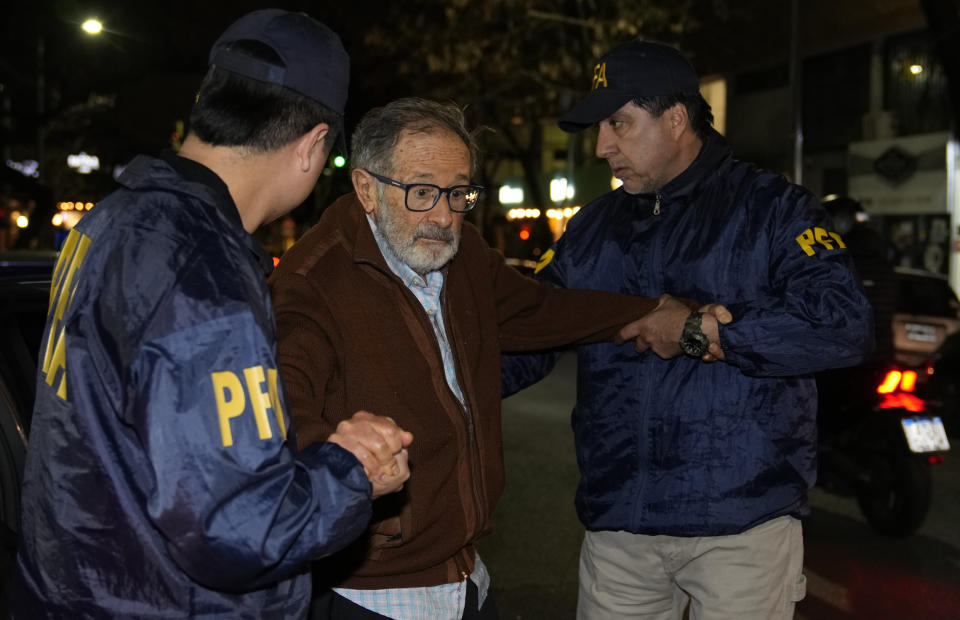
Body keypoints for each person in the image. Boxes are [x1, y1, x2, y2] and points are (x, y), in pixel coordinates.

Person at [11, 10, 412, 619]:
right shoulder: (202, 268)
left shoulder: (109, 221)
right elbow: (238, 529)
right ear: (312, 145)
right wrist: (352, 471)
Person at [268, 97, 726, 620]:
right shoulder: (310, 286)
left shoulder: (464, 259)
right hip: (372, 597)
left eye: (459, 191)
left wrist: (653, 314)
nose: (444, 215)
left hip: (468, 584)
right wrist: (349, 472)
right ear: (367, 189)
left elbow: (543, 310)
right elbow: (283, 430)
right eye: (421, 192)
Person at [501, 41, 874, 620]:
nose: (602, 147)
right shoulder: (591, 230)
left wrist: (703, 331)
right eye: (600, 128)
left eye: (618, 123)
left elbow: (843, 324)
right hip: (620, 527)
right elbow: (532, 332)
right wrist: (431, 377)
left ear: (676, 119)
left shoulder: (774, 210)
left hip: (740, 529)